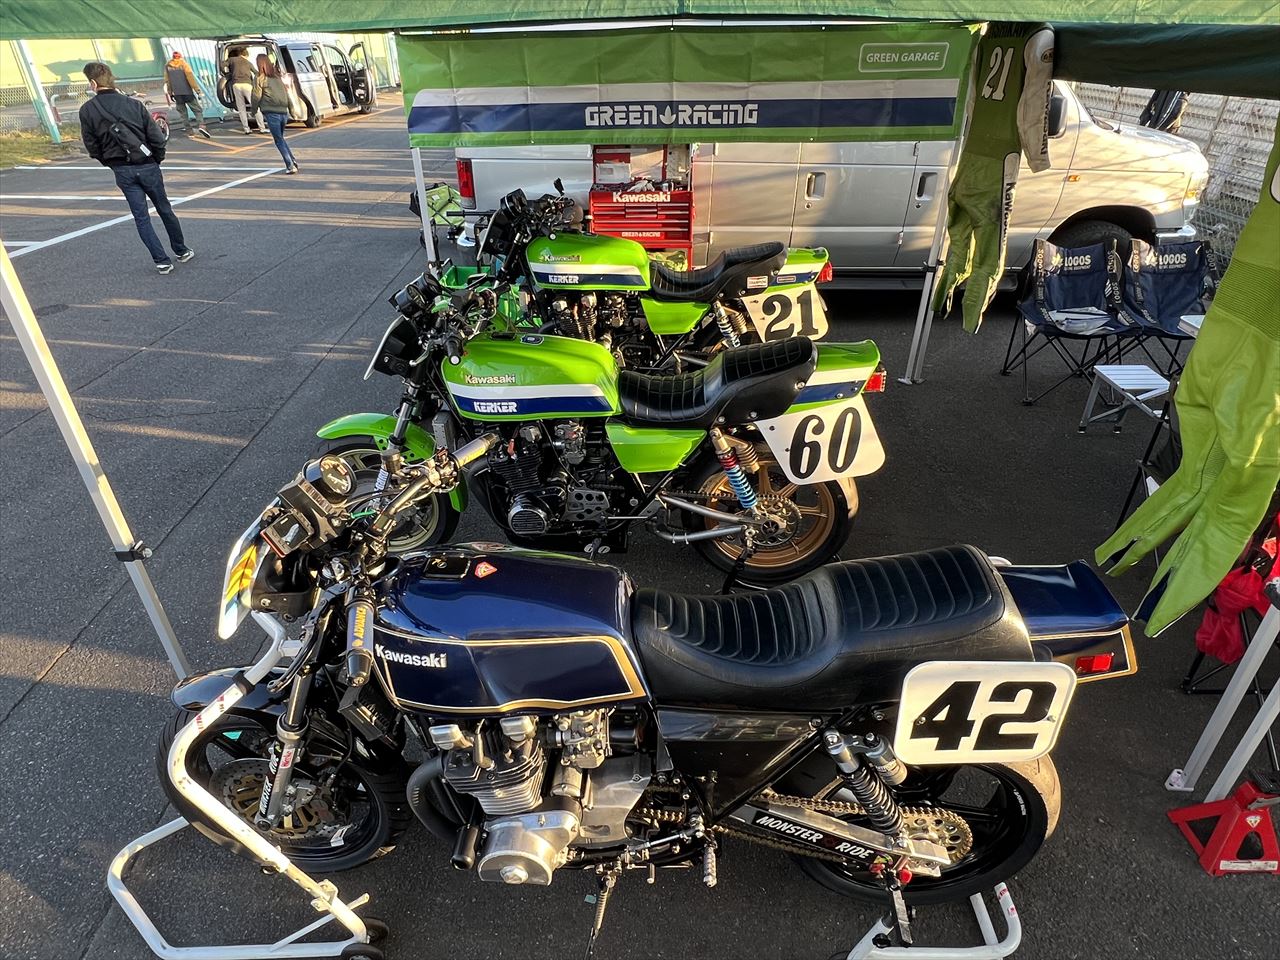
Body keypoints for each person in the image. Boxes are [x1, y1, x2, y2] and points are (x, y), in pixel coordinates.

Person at [79, 62, 193, 274]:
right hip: (147, 164)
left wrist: (109, 162)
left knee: (141, 217)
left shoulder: (87, 110)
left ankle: (161, 261)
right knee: (164, 208)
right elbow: (156, 137)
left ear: (93, 83)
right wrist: (157, 158)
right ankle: (181, 250)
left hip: (121, 168)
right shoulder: (134, 105)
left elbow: (92, 145)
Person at [252, 54, 299, 174]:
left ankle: (290, 165)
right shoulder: (277, 77)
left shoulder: (259, 78)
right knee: (281, 139)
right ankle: (292, 160)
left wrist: (253, 110)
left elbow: (256, 96)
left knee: (278, 140)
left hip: (271, 112)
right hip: (283, 112)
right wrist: (292, 110)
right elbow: (286, 94)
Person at [163, 51, 211, 138]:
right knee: (197, 110)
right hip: (187, 92)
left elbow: (167, 80)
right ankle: (201, 126)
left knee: (183, 113)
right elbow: (190, 78)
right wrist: (197, 90)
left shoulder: (168, 66)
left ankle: (189, 132)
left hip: (177, 94)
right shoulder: (184, 64)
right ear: (180, 57)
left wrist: (170, 93)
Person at [225, 47, 263, 134]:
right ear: (245, 55)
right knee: (255, 106)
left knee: (241, 108)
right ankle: (262, 128)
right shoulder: (247, 62)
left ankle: (246, 129)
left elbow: (222, 65)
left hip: (236, 85)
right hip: (247, 84)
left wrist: (228, 74)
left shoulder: (231, 60)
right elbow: (256, 73)